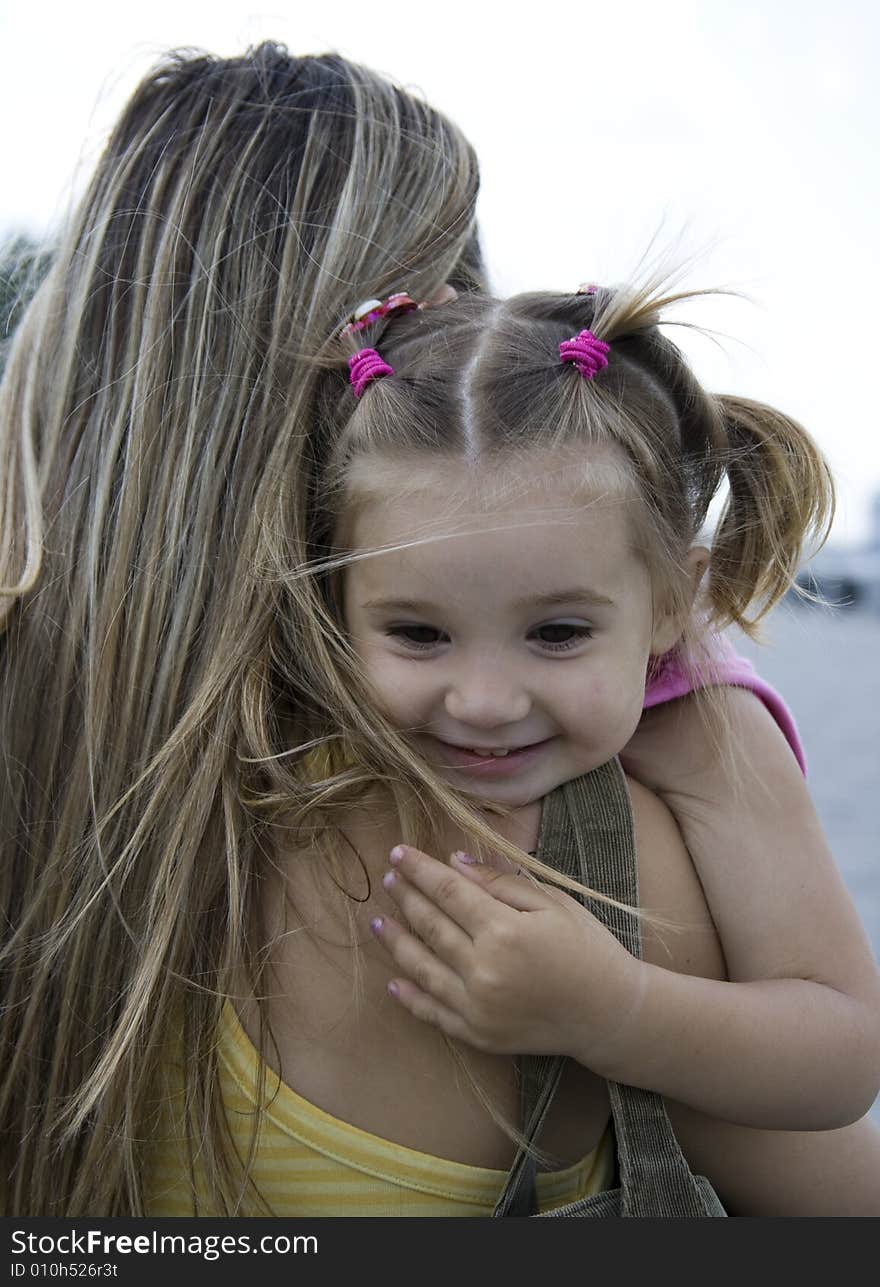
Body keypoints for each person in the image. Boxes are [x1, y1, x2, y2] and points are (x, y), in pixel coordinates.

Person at [0, 43, 878, 1219]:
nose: (483, 701)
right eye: (419, 632)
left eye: (556, 633)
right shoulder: (561, 853)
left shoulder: (45, 769)